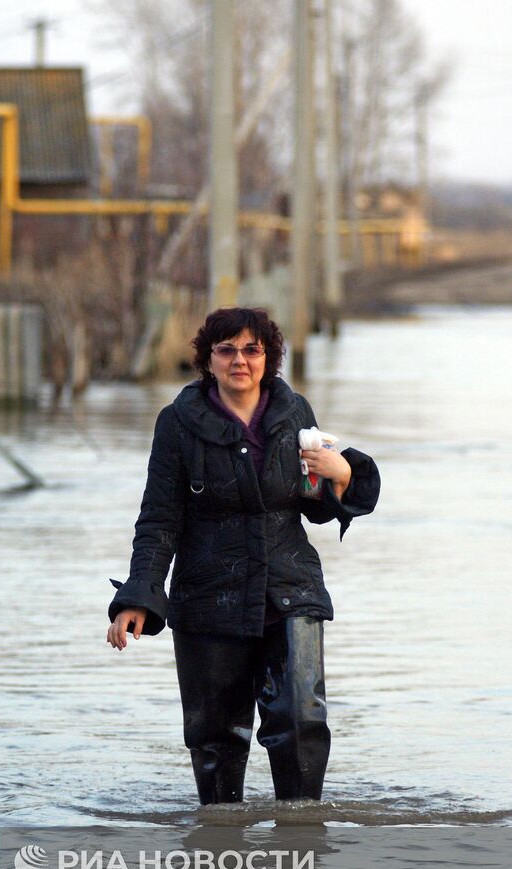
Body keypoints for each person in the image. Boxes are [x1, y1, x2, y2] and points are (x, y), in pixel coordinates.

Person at [107, 307, 380, 805]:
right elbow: (159, 519)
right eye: (227, 350)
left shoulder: (294, 413)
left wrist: (340, 474)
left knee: (301, 722)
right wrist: (138, 597)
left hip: (289, 589)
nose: (240, 361)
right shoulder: (178, 423)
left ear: (269, 358)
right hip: (210, 594)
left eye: (252, 350)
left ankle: (302, 842)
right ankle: (219, 851)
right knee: (215, 736)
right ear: (207, 360)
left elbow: (312, 504)